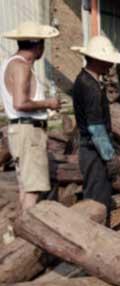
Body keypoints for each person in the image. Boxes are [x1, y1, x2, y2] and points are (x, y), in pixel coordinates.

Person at [0, 21, 61, 213]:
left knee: (25, 187)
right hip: (28, 131)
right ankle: (29, 233)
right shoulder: (21, 67)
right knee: (33, 190)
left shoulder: (11, 63)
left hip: (20, 130)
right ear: (38, 45)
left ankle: (22, 233)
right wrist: (48, 103)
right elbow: (20, 103)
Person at [71, 36, 120, 223]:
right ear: (96, 60)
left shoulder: (87, 81)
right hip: (93, 151)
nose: (111, 64)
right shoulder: (89, 86)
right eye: (107, 60)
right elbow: (95, 127)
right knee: (97, 203)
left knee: (97, 197)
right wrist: (109, 156)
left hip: (90, 149)